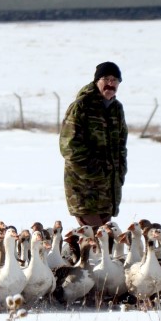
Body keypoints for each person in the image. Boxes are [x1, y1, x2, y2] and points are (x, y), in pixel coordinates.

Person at [59, 61, 128, 228]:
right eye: (107, 79)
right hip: (84, 190)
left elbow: (121, 146)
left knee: (104, 241)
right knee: (96, 238)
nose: (111, 84)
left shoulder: (116, 109)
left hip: (108, 190)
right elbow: (69, 147)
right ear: (97, 80)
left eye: (115, 80)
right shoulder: (81, 106)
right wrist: (96, 171)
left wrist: (119, 172)